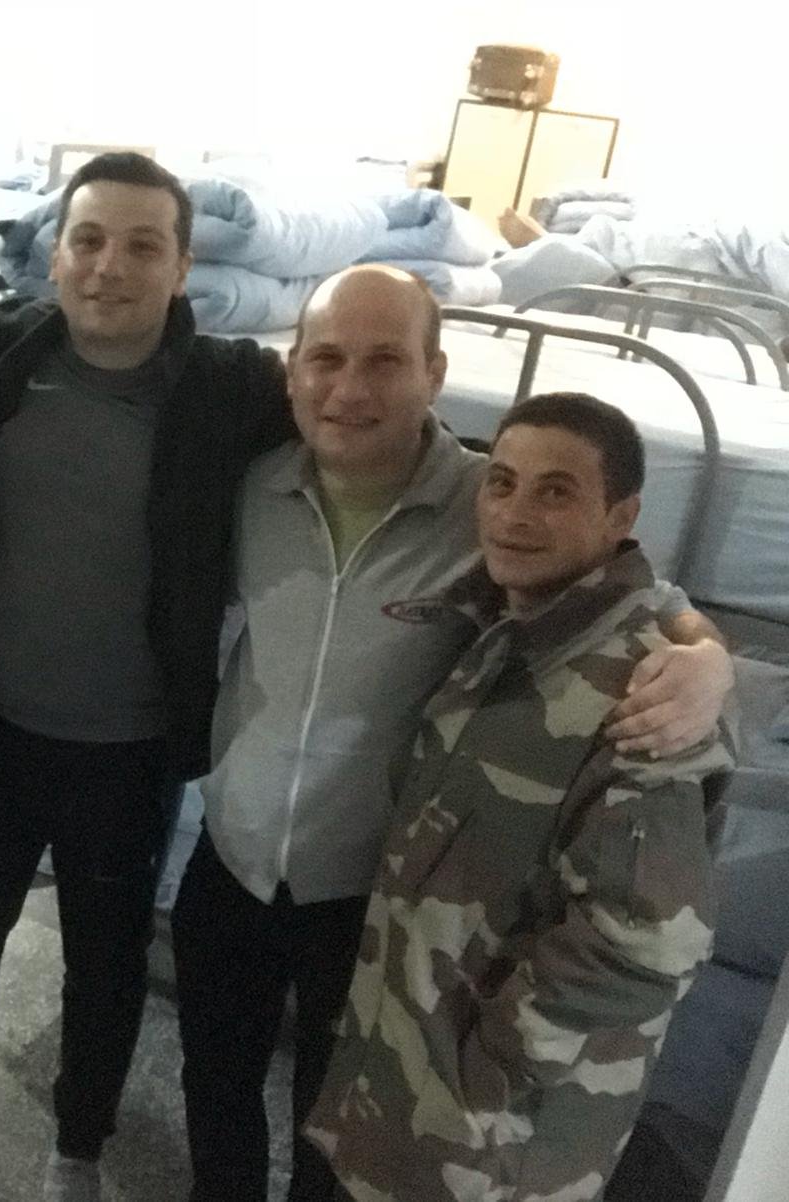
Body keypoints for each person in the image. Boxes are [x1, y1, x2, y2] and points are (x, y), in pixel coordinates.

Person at [175, 265, 734, 1200]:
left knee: (336, 1132)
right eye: (326, 358)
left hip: (370, 892)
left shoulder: (492, 503)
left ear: (434, 373)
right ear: (293, 370)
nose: (349, 389)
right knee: (215, 1086)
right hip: (233, 858)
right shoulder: (254, 488)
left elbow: (636, 592)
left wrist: (710, 659)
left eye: (385, 360)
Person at [0, 152, 294, 1202]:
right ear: (54, 256)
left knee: (105, 965)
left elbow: (378, 440)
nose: (108, 267)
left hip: (131, 751)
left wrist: (664, 620)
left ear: (181, 266)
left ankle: (77, 1150)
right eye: (87, 240)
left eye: (142, 245)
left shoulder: (229, 389)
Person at [304, 391, 734, 1201]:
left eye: (556, 491)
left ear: (622, 517)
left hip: (491, 1142)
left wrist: (487, 1068)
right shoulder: (504, 633)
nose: (514, 513)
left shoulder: (644, 694)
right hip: (408, 1087)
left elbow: (648, 943)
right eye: (501, 482)